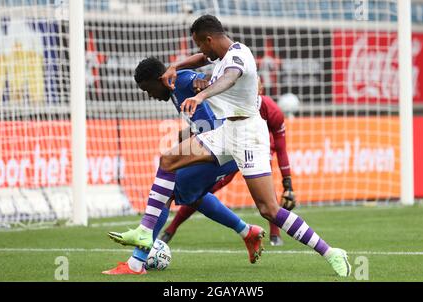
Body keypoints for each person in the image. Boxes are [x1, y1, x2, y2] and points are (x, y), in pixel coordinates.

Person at [109, 15, 351, 277]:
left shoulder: (239, 56)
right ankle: (145, 234)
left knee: (269, 209)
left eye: (200, 45)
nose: (201, 51)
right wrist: (174, 67)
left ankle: (331, 252)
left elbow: (229, 79)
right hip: (226, 131)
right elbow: (202, 60)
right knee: (168, 160)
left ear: (209, 39)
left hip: (248, 134)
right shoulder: (219, 55)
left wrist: (201, 93)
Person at [102, 57, 265, 275]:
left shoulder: (183, 80)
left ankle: (136, 263)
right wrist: (187, 135)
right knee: (192, 195)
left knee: (167, 190)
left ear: (159, 79)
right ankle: (247, 231)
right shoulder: (175, 91)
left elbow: (206, 80)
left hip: (223, 146)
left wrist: (204, 80)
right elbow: (207, 117)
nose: (149, 95)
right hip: (223, 147)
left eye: (148, 89)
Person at [160, 76, 297, 246]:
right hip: (230, 150)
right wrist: (187, 138)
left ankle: (275, 235)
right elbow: (209, 126)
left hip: (258, 150)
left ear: (259, 91)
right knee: (201, 191)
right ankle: (171, 229)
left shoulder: (272, 110)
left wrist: (287, 184)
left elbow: (281, 148)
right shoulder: (229, 104)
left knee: (266, 196)